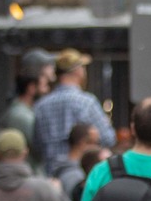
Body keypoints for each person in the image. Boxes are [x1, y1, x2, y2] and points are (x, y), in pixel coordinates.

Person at [32, 49, 115, 178]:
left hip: (50, 177)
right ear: (78, 71)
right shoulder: (86, 102)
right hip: (80, 175)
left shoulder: (41, 106)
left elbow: (36, 146)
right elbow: (108, 138)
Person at [0, 51, 54, 162]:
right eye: (44, 85)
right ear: (31, 87)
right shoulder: (21, 115)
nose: (47, 90)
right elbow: (39, 149)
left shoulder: (27, 112)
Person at [56, 122, 103, 201]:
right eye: (97, 143)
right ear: (83, 143)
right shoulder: (75, 175)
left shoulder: (61, 167)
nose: (99, 148)